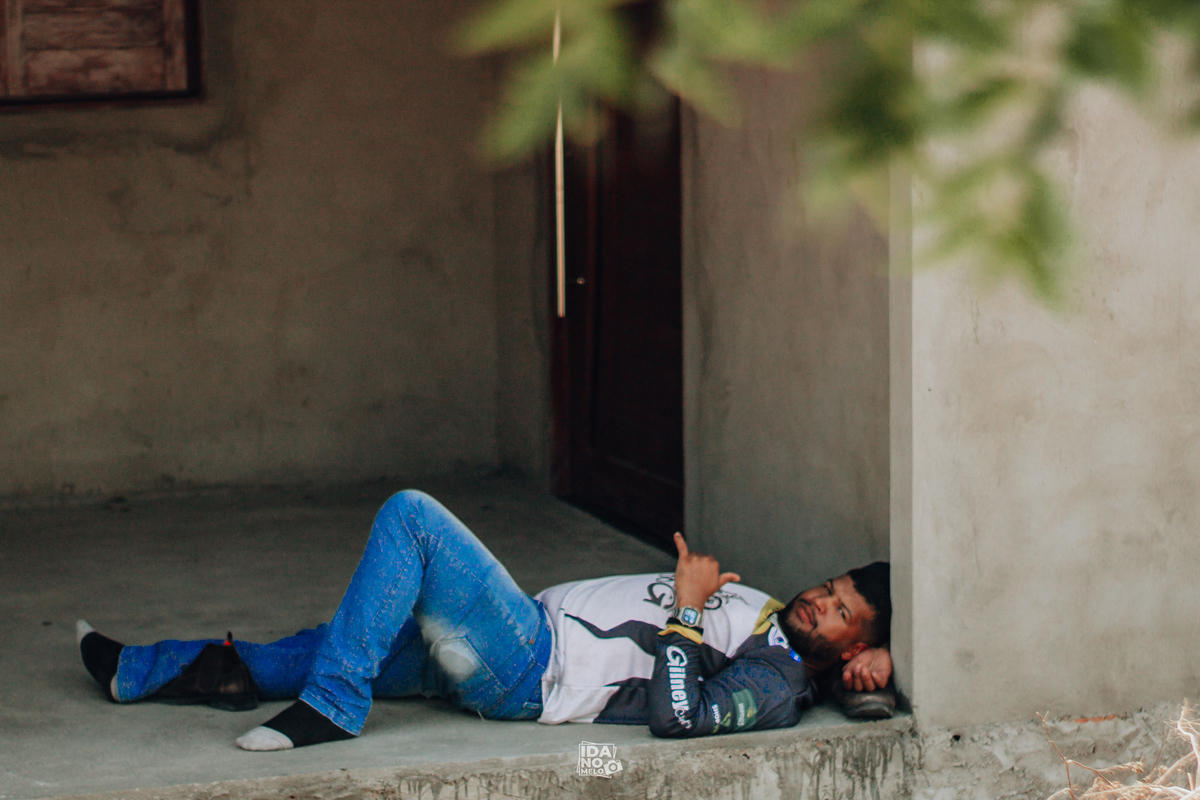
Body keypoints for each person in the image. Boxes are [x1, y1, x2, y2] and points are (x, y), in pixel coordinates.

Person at [77, 490, 892, 750]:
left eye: (841, 612)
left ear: (857, 642)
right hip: (518, 635)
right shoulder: (775, 619)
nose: (819, 601)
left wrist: (685, 606)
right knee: (321, 645)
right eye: (830, 588)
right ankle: (141, 670)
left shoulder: (779, 680)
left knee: (413, 519)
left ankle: (333, 707)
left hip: (529, 667)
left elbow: (679, 719)